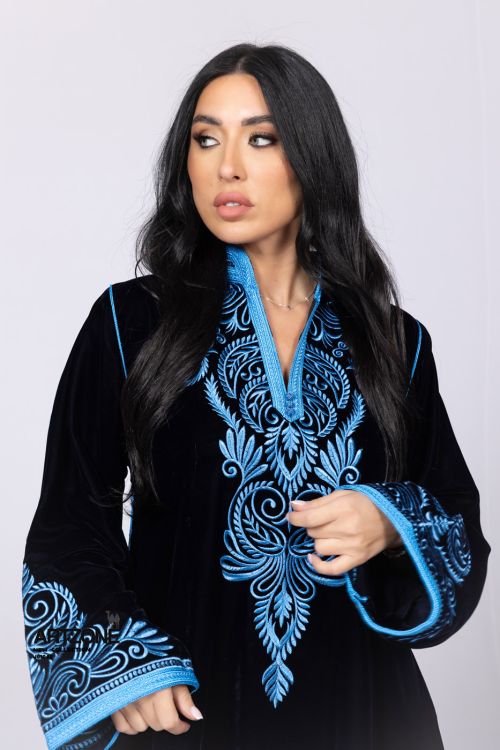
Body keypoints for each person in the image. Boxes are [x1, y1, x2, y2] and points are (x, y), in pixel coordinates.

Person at [22, 42, 491, 750]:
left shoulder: (395, 341)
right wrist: (126, 667)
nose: (227, 167)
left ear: (312, 157)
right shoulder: (130, 323)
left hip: (368, 715)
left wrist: (391, 522)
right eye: (206, 139)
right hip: (188, 713)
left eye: (261, 139)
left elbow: (457, 518)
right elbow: (68, 523)